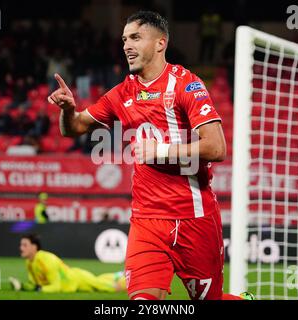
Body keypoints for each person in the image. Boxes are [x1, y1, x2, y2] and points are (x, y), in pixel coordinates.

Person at [48, 11, 252, 300]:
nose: (126, 46)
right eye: (123, 40)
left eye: (135, 37)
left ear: (160, 43)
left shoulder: (186, 84)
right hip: (147, 221)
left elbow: (216, 147)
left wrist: (162, 150)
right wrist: (68, 109)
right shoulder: (121, 93)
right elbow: (75, 128)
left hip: (194, 219)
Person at [9, 234, 126, 293]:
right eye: (21, 245)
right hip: (73, 283)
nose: (21, 248)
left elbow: (56, 287)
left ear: (34, 247)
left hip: (78, 279)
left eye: (24, 245)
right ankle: (118, 274)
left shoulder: (46, 260)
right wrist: (21, 286)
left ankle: (127, 278)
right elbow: (35, 285)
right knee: (99, 280)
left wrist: (39, 289)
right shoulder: (29, 262)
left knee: (112, 288)